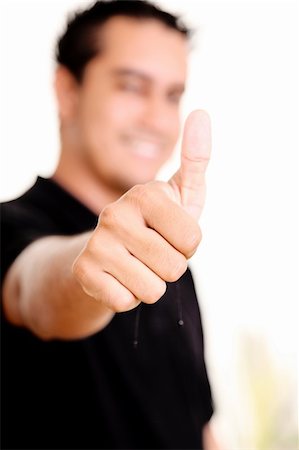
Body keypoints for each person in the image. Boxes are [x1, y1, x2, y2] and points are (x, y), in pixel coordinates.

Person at [1, 1, 218, 448]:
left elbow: (197, 429)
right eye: (132, 87)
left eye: (173, 95)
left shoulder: (171, 266)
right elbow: (34, 287)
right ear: (67, 91)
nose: (158, 120)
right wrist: (88, 271)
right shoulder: (9, 230)